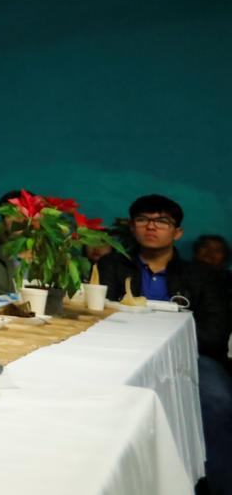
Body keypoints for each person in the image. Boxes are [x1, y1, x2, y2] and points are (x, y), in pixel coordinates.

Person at [95, 195, 231, 494]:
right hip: (120, 354)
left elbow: (214, 334)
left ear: (177, 232)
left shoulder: (203, 276)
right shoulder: (112, 265)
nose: (151, 226)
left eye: (162, 221)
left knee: (218, 402)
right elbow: (94, 315)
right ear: (132, 227)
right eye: (143, 219)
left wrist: (167, 340)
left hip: (192, 357)